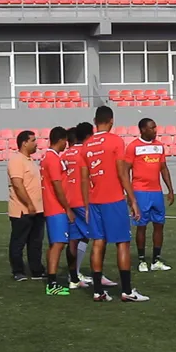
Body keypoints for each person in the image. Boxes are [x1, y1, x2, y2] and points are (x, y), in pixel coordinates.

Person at [81, 106, 148, 303]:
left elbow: (85, 180)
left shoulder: (87, 145)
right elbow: (122, 173)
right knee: (122, 243)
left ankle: (97, 291)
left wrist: (85, 206)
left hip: (94, 201)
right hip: (113, 199)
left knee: (97, 243)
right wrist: (133, 200)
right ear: (111, 120)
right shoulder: (116, 141)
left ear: (95, 121)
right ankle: (127, 291)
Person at [63, 124, 117, 290]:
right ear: (88, 136)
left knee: (75, 238)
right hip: (83, 200)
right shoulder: (85, 152)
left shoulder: (65, 154)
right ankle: (97, 275)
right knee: (99, 237)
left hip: (69, 200)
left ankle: (73, 277)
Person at [126, 118, 175, 272]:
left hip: (156, 192)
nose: (155, 130)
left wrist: (170, 189)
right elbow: (125, 170)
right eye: (152, 128)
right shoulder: (133, 146)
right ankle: (142, 260)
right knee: (141, 226)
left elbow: (163, 168)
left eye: (155, 127)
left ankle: (156, 260)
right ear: (142, 129)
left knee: (159, 225)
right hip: (140, 191)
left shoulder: (159, 146)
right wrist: (129, 193)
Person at [39, 126, 74, 296]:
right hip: (56, 207)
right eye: (65, 141)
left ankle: (50, 279)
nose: (66, 145)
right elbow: (57, 185)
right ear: (60, 140)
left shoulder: (48, 157)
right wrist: (67, 208)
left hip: (52, 206)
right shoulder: (52, 159)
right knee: (59, 244)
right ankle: (52, 284)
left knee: (55, 243)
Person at [7, 130, 45, 282]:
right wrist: (29, 203)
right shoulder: (16, 160)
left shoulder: (30, 161)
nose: (36, 144)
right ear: (24, 143)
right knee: (19, 242)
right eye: (33, 140)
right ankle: (18, 271)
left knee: (36, 242)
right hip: (22, 210)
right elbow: (17, 184)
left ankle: (36, 270)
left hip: (37, 209)